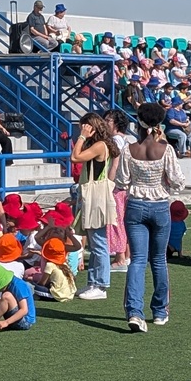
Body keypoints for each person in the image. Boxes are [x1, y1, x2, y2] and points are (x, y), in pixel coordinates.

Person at [121, 102, 185, 332]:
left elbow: (121, 180)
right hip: (159, 205)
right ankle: (159, 310)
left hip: (136, 204)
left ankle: (134, 312)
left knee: (137, 260)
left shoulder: (129, 149)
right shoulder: (165, 148)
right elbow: (178, 180)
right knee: (158, 260)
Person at [71, 113, 118, 301]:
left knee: (99, 243)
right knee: (93, 242)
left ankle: (102, 284)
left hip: (96, 198)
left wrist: (82, 136)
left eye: (85, 126)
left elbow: (75, 158)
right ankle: (92, 282)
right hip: (90, 196)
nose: (82, 130)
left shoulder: (100, 146)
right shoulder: (100, 145)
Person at [103, 109, 131, 273]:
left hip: (117, 186)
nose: (106, 123)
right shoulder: (124, 140)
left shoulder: (115, 141)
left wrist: (109, 182)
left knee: (116, 221)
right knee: (121, 220)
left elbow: (115, 164)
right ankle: (125, 255)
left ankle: (120, 258)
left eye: (108, 120)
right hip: (123, 186)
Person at [0, 262, 35, 332]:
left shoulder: (19, 285)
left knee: (6, 296)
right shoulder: (10, 284)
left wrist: (6, 322)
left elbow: (24, 310)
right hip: (15, 317)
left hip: (25, 321)